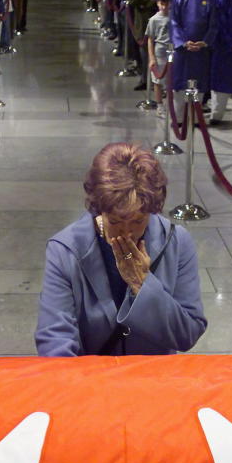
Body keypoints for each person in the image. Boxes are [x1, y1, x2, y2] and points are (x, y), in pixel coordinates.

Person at [35, 143, 207, 356]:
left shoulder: (177, 242)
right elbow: (55, 339)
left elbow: (187, 334)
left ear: (151, 211)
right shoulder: (65, 250)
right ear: (99, 210)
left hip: (153, 378)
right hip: (91, 380)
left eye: (137, 222)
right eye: (115, 222)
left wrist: (143, 285)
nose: (126, 233)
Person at [170, 0, 217, 102]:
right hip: (183, 49)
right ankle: (178, 118)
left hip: (201, 49)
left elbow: (214, 24)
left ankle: (196, 118)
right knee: (180, 81)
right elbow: (173, 22)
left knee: (199, 82)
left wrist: (205, 42)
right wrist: (183, 42)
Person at [128, 0, 159, 90]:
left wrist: (152, 1)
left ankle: (156, 80)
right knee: (144, 51)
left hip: (156, 17)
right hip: (141, 19)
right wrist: (147, 0)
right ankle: (144, 79)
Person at [146, 0, 171, 116]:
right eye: (162, 4)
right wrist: (152, 57)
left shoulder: (174, 17)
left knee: (171, 80)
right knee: (158, 80)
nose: (164, 7)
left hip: (173, 51)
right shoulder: (154, 20)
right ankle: (159, 105)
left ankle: (170, 104)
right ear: (158, 4)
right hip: (160, 51)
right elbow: (150, 39)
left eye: (167, 4)